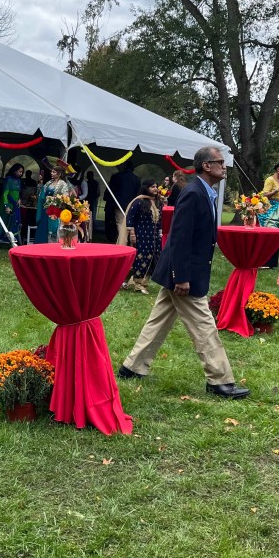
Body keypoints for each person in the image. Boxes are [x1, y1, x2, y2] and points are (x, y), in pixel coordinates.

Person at [118, 146, 250, 400]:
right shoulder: (193, 193)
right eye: (219, 162)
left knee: (158, 321)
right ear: (206, 166)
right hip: (183, 274)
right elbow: (179, 238)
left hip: (183, 270)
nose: (224, 166)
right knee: (204, 326)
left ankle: (132, 367)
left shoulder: (205, 192)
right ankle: (220, 380)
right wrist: (181, 277)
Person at [121, 179, 162, 293]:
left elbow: (160, 220)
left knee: (152, 258)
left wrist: (160, 233)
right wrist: (132, 234)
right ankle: (137, 283)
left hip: (154, 237)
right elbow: (130, 218)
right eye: (152, 187)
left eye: (156, 186)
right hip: (141, 236)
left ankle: (143, 282)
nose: (155, 189)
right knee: (140, 258)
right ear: (146, 188)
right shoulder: (139, 201)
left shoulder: (158, 202)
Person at [34, 162, 74, 243]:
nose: (51, 173)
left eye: (54, 172)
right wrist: (44, 197)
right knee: (43, 227)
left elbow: (65, 198)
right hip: (46, 210)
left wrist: (54, 199)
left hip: (55, 211)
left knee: (53, 230)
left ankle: (51, 246)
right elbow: (42, 195)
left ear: (59, 174)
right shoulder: (49, 183)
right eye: (51, 172)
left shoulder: (63, 184)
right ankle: (40, 245)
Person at [0, 162, 24, 244]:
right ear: (14, 171)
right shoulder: (9, 179)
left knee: (13, 222)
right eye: (19, 171)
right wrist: (6, 206)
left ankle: (11, 240)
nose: (21, 173)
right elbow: (5, 193)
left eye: (22, 172)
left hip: (15, 204)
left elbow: (19, 193)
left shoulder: (19, 180)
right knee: (2, 221)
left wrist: (19, 199)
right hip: (7, 203)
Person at [108, 162, 140, 242]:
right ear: (133, 168)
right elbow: (137, 193)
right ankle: (128, 241)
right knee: (129, 223)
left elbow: (111, 190)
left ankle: (123, 242)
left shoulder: (116, 176)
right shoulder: (137, 179)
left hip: (119, 203)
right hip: (131, 204)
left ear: (124, 167)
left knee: (120, 223)